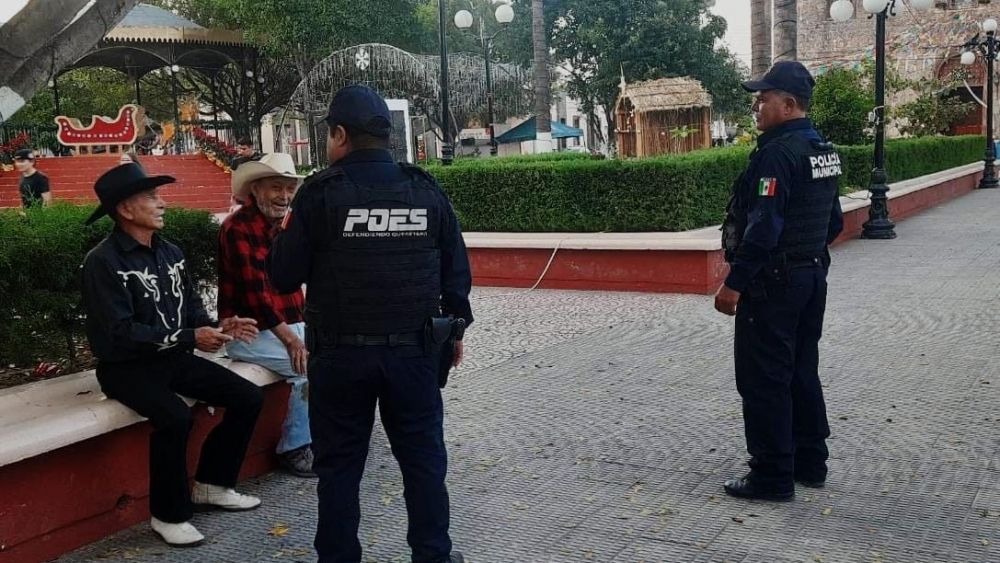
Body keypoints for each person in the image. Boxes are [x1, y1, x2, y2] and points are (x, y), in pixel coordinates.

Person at [269, 85, 473, 563]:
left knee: (339, 470)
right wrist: (455, 330)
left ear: (340, 134)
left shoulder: (320, 193)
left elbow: (282, 276)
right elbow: (456, 271)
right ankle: (433, 556)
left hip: (340, 357)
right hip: (414, 355)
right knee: (423, 465)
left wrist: (285, 233)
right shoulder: (424, 187)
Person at [81, 163, 265, 547]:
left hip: (174, 359)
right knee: (176, 417)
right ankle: (168, 514)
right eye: (152, 197)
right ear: (125, 210)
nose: (162, 203)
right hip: (125, 368)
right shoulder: (103, 261)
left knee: (248, 396)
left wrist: (219, 327)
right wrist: (188, 336)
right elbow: (120, 333)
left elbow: (192, 311)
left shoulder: (171, 253)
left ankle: (212, 483)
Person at [715, 61, 844, 502]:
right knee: (801, 368)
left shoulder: (777, 153)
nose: (757, 105)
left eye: (764, 98)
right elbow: (834, 223)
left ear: (788, 105)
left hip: (776, 284)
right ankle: (811, 462)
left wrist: (735, 282)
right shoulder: (822, 149)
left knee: (764, 377)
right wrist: (804, 258)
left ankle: (771, 475)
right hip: (811, 276)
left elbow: (763, 228)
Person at [219, 152, 315, 477]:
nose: (284, 196)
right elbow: (255, 295)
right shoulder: (238, 228)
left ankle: (325, 438)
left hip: (289, 325)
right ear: (255, 189)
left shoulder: (286, 225)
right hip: (249, 332)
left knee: (340, 357)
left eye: (289, 189)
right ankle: (294, 448)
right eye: (276, 187)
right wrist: (291, 339)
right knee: (309, 367)